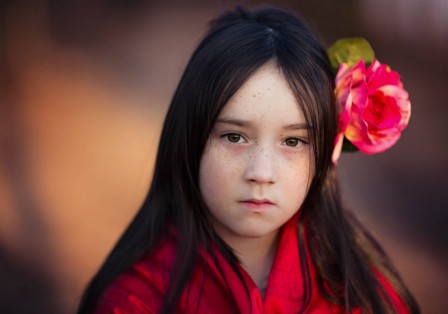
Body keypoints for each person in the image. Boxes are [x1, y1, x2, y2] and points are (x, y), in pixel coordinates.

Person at [78, 5, 419, 314]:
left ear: (322, 152)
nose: (262, 173)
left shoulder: (361, 294)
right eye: (234, 137)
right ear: (191, 138)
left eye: (293, 141)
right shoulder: (136, 301)